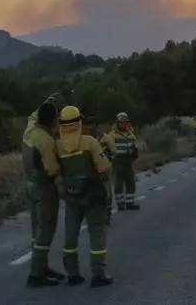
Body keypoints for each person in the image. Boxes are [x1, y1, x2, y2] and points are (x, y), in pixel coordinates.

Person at [56, 106, 114, 287]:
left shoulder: (57, 146)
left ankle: (72, 273)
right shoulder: (90, 142)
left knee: (70, 236)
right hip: (93, 197)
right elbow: (104, 169)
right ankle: (98, 273)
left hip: (72, 197)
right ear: (79, 121)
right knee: (97, 233)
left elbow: (54, 172)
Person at [23, 100, 64, 286]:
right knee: (46, 229)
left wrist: (47, 101)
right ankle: (36, 274)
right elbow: (52, 170)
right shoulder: (46, 141)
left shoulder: (30, 129)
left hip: (30, 185)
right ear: (53, 120)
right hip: (44, 188)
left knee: (36, 230)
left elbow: (32, 114)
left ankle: (42, 266)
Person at [111, 111, 139, 210]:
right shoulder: (113, 135)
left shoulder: (130, 134)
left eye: (125, 122)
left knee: (130, 182)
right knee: (118, 184)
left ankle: (130, 203)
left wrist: (135, 152)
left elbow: (134, 145)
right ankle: (120, 204)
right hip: (118, 160)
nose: (123, 124)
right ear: (117, 123)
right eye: (121, 122)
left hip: (128, 160)